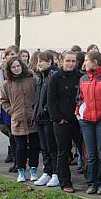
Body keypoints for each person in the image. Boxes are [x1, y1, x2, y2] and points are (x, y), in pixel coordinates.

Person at [77, 50, 101, 195]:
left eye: (87, 60)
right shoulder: (83, 79)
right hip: (86, 121)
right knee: (91, 154)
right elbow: (80, 99)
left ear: (95, 62)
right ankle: (91, 183)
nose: (84, 63)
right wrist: (78, 113)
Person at [48, 50, 84, 193]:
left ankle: (91, 179)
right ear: (62, 61)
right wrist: (57, 118)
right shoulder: (55, 78)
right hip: (62, 121)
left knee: (85, 150)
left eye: (73, 61)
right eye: (68, 61)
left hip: (78, 120)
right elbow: (51, 100)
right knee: (63, 152)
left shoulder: (81, 77)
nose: (70, 64)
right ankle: (65, 182)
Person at [0, 56, 40, 183]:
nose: (16, 69)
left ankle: (33, 170)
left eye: (18, 66)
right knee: (20, 147)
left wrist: (36, 111)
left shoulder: (33, 79)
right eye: (13, 67)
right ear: (9, 69)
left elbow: (39, 95)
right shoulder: (7, 84)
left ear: (22, 66)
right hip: (17, 119)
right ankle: (21, 171)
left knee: (34, 146)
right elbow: (3, 101)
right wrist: (11, 111)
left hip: (32, 118)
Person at [33, 51, 60, 187]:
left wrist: (45, 110)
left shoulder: (53, 76)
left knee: (52, 147)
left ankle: (56, 173)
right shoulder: (41, 77)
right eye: (38, 61)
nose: (39, 63)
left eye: (42, 61)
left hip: (49, 118)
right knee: (44, 148)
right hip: (39, 118)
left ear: (50, 62)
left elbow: (53, 98)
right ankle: (47, 171)